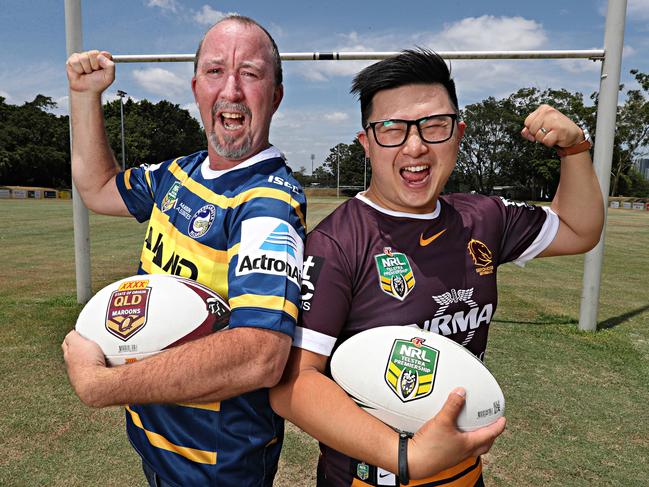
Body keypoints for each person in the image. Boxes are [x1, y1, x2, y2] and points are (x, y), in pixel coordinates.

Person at [270, 48, 604, 487]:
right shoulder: (337, 241)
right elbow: (293, 384)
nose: (415, 146)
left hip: (464, 474)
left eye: (434, 126)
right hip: (371, 476)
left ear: (458, 133)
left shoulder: (484, 217)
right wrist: (404, 455)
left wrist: (575, 149)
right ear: (366, 142)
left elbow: (580, 229)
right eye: (392, 128)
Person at [62, 15, 306, 487]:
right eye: (215, 71)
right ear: (196, 88)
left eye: (251, 73)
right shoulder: (178, 173)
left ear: (275, 95)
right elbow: (96, 187)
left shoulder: (267, 203)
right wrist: (85, 96)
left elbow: (260, 355)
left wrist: (103, 385)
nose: (231, 89)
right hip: (156, 439)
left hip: (214, 465)